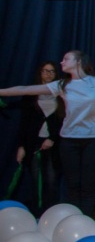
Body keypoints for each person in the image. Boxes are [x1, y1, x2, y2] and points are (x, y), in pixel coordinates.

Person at [1, 51, 95, 217]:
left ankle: (85, 221)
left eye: (66, 59)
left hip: (93, 139)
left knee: (88, 184)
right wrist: (2, 92)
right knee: (73, 184)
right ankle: (74, 221)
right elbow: (26, 89)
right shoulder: (62, 84)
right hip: (68, 141)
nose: (61, 62)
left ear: (78, 61)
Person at [14, 61, 63, 214]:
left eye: (52, 71)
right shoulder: (31, 95)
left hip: (54, 144)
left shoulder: (61, 95)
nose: (48, 74)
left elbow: (64, 121)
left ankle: (50, 213)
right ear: (40, 73)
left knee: (51, 178)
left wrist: (52, 138)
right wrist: (21, 146)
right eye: (45, 71)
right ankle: (36, 213)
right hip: (34, 142)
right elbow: (24, 122)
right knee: (35, 178)